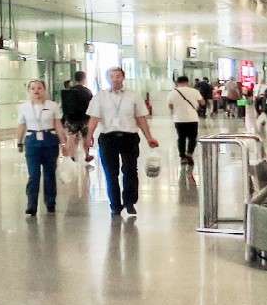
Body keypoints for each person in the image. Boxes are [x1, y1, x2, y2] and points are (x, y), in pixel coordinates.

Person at [85, 66, 159, 218]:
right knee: (110, 173)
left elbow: (140, 118)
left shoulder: (133, 96)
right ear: (108, 79)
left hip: (129, 137)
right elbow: (93, 119)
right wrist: (88, 137)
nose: (115, 79)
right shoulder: (100, 96)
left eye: (118, 76)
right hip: (108, 138)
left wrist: (149, 137)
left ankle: (130, 201)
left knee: (130, 170)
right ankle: (115, 205)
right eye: (112, 76)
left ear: (123, 78)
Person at [16, 79, 63, 216]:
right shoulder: (24, 107)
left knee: (49, 174)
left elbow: (58, 125)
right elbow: (21, 125)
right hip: (32, 141)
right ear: (29, 91)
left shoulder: (53, 106)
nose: (36, 91)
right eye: (33, 88)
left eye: (39, 88)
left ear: (44, 90)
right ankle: (31, 204)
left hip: (50, 140)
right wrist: (19, 142)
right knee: (34, 174)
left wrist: (64, 143)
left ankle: (50, 202)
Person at [59, 71, 94, 168]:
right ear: (84, 79)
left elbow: (64, 107)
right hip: (84, 119)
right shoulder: (87, 91)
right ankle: (86, 155)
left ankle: (72, 156)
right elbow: (91, 107)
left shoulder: (69, 91)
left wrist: (64, 119)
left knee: (72, 137)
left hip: (72, 119)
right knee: (85, 137)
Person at [168, 75, 202, 166]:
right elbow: (202, 102)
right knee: (192, 137)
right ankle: (189, 154)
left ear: (177, 82)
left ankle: (182, 157)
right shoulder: (194, 91)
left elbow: (170, 106)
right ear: (187, 82)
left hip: (179, 119)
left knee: (181, 138)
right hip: (192, 118)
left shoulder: (172, 92)